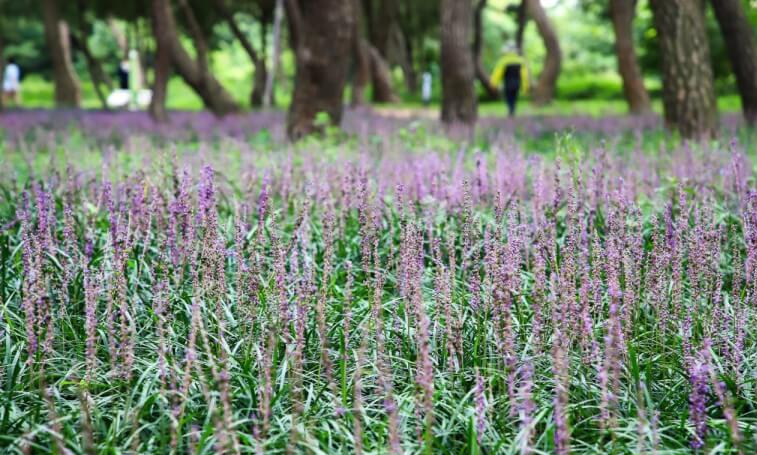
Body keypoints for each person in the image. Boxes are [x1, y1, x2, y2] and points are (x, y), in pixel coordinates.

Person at [489, 45, 529, 117]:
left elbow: (497, 73)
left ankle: (511, 109)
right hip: (517, 82)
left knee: (508, 96)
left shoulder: (503, 61)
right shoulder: (520, 61)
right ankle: (512, 109)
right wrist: (525, 86)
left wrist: (493, 83)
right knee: (514, 96)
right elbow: (524, 75)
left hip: (507, 82)